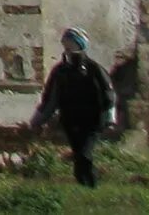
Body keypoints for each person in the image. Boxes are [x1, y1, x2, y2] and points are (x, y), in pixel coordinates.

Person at [33, 28, 118, 187]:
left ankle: (90, 184)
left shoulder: (94, 69)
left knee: (85, 153)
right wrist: (39, 119)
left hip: (92, 120)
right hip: (70, 119)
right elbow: (51, 97)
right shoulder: (60, 71)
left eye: (70, 43)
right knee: (78, 153)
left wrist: (109, 118)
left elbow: (108, 94)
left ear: (79, 44)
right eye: (65, 44)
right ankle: (83, 184)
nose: (66, 47)